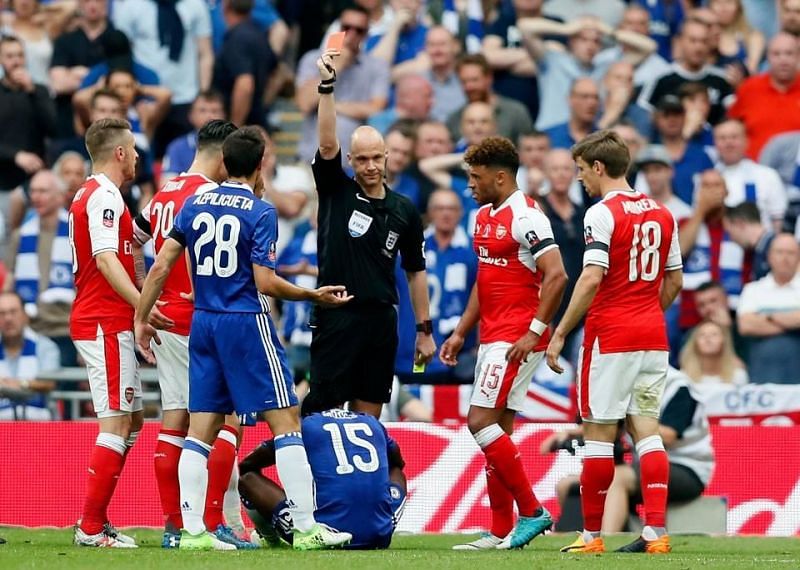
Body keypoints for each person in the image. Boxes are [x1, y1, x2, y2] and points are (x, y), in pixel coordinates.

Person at [134, 126, 353, 550]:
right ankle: (307, 528)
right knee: (286, 420)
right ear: (258, 165)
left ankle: (193, 532)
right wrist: (312, 295)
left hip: (203, 323)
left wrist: (142, 317)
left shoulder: (195, 203)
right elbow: (265, 282)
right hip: (246, 322)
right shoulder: (260, 211)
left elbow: (160, 266)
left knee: (200, 431)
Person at [546, 129, 683, 554]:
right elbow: (674, 278)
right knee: (648, 432)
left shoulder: (601, 213)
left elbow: (591, 276)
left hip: (611, 336)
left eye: (583, 170)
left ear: (599, 167)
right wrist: (646, 312)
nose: (581, 179)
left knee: (599, 436)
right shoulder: (663, 212)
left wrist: (561, 330)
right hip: (652, 337)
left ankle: (591, 536)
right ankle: (656, 533)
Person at [440, 136, 568, 550]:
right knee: (500, 434)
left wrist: (534, 330)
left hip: (515, 337)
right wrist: (461, 330)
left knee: (480, 422)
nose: (470, 185)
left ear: (500, 176)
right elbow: (487, 278)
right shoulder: (481, 216)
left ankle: (532, 511)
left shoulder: (528, 216)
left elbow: (557, 275)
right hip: (492, 335)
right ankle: (499, 530)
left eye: (476, 178)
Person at [132, 119, 247, 548]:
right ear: (222, 156)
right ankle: (214, 522)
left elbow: (133, 241)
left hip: (165, 320)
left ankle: (173, 526)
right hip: (201, 320)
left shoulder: (163, 193)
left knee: (174, 420)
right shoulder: (208, 196)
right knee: (225, 420)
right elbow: (206, 264)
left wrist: (147, 299)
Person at [305, 48, 435, 418]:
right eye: (362, 159)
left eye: (377, 158)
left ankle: (368, 478)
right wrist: (327, 88)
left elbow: (415, 270)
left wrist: (424, 330)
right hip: (337, 316)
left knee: (368, 419)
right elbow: (328, 142)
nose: (371, 166)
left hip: (381, 321)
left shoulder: (404, 209)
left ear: (387, 157)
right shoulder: (336, 190)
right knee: (325, 416)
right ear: (350, 161)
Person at [70, 118, 171, 548]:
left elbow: (129, 249)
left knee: (132, 419)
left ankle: (97, 518)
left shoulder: (99, 195)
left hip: (110, 320)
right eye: (132, 148)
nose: (137, 156)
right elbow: (108, 260)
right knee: (115, 422)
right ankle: (90, 527)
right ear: (119, 153)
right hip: (103, 321)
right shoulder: (104, 198)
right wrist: (142, 308)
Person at [239, 407, 407, 549]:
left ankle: (269, 536)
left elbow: (250, 463)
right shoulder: (372, 422)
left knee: (248, 479)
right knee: (397, 471)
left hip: (325, 529)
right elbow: (398, 460)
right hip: (379, 535)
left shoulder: (307, 425)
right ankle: (383, 520)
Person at [113, 0, 215, 156]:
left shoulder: (195, 5)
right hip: (146, 99)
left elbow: (205, 53)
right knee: (141, 155)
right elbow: (122, 50)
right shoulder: (131, 6)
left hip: (186, 96)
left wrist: (203, 93)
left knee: (187, 157)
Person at [395, 189, 477, 384]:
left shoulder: (472, 251)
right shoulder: (410, 247)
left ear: (461, 213)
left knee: (450, 408)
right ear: (430, 212)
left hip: (456, 349)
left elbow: (481, 297)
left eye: (451, 208)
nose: (445, 214)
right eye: (440, 208)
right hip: (411, 346)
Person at [295, 4, 389, 165]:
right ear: (338, 28)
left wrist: (331, 106)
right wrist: (335, 67)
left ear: (366, 34)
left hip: (356, 163)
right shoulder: (312, 59)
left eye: (358, 30)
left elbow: (376, 108)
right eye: (346, 27)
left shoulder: (376, 66)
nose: (351, 34)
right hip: (312, 157)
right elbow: (304, 103)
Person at [4, 170, 74, 366]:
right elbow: (10, 278)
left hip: (65, 330)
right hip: (31, 330)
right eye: (33, 191)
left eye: (43, 191)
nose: (36, 196)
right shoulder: (21, 234)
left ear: (59, 196)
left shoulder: (77, 231)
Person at [638, 19, 734, 126]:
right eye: (693, 40)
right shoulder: (661, 78)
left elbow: (733, 119)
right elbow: (643, 115)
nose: (698, 47)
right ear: (680, 42)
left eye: (704, 41)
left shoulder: (722, 80)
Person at [737, 233, 800, 384]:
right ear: (769, 256)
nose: (785, 258)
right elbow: (746, 326)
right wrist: (793, 324)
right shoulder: (753, 289)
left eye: (791, 253)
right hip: (762, 376)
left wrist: (768, 317)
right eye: (779, 252)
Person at [728, 33, 800, 160]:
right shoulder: (749, 88)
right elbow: (731, 127)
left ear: (798, 56)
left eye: (789, 53)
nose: (783, 60)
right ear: (768, 57)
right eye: (776, 54)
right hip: (755, 170)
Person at [0, 34, 55, 193]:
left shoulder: (39, 91)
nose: (16, 61)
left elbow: (52, 127)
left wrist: (32, 91)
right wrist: (16, 155)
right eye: (10, 56)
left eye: (20, 55)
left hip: (33, 180)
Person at [714, 119, 787, 232]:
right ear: (715, 144)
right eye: (722, 138)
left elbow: (778, 220)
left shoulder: (767, 175)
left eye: (734, 137)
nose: (729, 143)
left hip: (760, 244)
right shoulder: (708, 178)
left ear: (746, 141)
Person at [445, 53, 534, 146]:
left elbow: (530, 149)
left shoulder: (516, 113)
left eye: (474, 80)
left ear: (489, 78)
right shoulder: (454, 119)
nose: (469, 86)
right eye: (464, 81)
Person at [213, 0, 277, 127]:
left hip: (243, 127)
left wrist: (235, 127)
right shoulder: (259, 35)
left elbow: (245, 84)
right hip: (257, 120)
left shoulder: (237, 39)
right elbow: (277, 73)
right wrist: (263, 104)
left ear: (225, 5)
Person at [0, 291, 58, 420]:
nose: (8, 319)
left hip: (38, 420)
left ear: (25, 315)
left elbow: (49, 382)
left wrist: (22, 384)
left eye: (13, 312)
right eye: (2, 313)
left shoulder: (45, 346)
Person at [161, 91, 226, 180]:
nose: (209, 116)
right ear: (191, 116)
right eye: (202, 111)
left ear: (224, 115)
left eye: (214, 111)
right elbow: (167, 184)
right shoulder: (176, 147)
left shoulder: (233, 146)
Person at [679, 320, 748, 390]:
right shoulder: (684, 377)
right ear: (695, 344)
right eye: (702, 335)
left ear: (724, 341)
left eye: (714, 334)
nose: (707, 338)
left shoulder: (738, 375)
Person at [723, 202, 775, 281]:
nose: (731, 239)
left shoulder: (776, 247)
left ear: (739, 223)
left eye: (730, 232)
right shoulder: (759, 251)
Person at [544, 78, 600, 150]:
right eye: (584, 97)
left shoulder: (604, 140)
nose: (592, 103)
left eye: (596, 98)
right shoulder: (549, 137)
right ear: (570, 99)